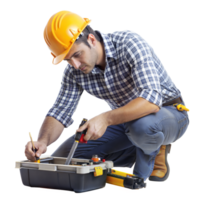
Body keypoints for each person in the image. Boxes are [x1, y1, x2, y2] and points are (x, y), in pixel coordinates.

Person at [24, 10, 190, 183]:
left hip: (168, 113)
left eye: (76, 55)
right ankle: (144, 149)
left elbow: (151, 101)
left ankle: (151, 158)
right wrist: (43, 141)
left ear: (91, 39)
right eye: (67, 60)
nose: (75, 65)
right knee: (67, 159)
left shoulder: (129, 43)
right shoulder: (74, 72)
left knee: (143, 126)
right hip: (126, 122)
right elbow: (60, 111)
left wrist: (105, 119)